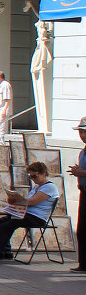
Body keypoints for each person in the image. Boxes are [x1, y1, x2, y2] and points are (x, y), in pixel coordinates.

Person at [0, 162, 58, 262]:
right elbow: (27, 201)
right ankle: (5, 251)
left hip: (36, 218)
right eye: (31, 177)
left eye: (34, 176)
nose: (33, 179)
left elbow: (32, 201)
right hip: (25, 214)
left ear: (43, 173)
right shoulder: (37, 187)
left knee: (4, 226)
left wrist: (19, 199)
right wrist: (14, 199)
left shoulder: (49, 187)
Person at [68, 117, 86, 273]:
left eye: (85, 132)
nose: (83, 135)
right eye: (81, 132)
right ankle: (83, 263)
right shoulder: (83, 152)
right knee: (81, 230)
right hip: (84, 192)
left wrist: (82, 172)